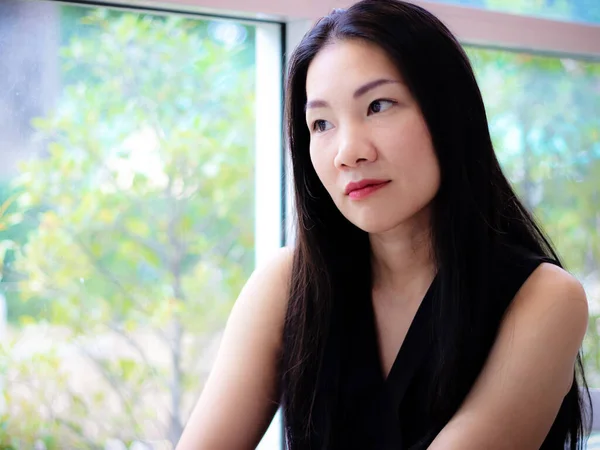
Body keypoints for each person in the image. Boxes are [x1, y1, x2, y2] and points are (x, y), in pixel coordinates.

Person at [176, 0, 592, 449]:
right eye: (321, 123)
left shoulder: (544, 297)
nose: (348, 151)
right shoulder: (287, 285)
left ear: (449, 113)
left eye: (378, 105)